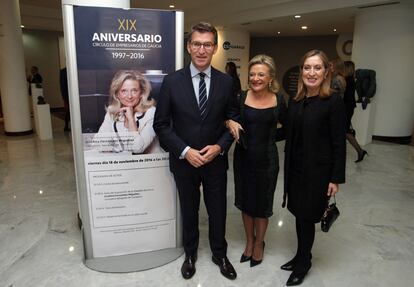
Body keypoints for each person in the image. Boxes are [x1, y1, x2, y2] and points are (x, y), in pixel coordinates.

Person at [153, 22, 237, 280]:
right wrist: (185, 150)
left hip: (215, 161)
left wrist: (220, 146)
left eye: (207, 44)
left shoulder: (226, 82)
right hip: (184, 161)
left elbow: (233, 120)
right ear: (189, 47)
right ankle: (190, 254)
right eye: (197, 44)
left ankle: (219, 253)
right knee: (189, 210)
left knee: (218, 210)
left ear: (214, 48)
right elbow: (161, 124)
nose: (202, 50)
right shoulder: (171, 82)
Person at [281, 50, 346, 286]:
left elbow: (339, 142)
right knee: (299, 215)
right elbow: (288, 133)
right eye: (307, 67)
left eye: (317, 68)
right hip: (295, 170)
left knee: (308, 218)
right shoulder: (296, 100)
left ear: (326, 71)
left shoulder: (333, 101)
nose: (311, 72)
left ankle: (303, 264)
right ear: (302, 71)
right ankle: (301, 255)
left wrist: (335, 178)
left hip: (317, 173)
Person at [225, 55, 287, 267]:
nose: (255, 78)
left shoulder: (279, 100)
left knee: (262, 205)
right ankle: (249, 241)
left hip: (267, 161)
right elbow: (229, 117)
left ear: (270, 77)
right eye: (252, 74)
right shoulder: (241, 97)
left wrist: (269, 139)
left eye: (261, 74)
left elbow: (287, 128)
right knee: (245, 203)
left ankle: (259, 243)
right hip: (243, 158)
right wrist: (229, 122)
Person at [94, 70, 162, 154]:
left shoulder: (151, 113)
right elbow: (98, 142)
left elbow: (137, 149)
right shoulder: (112, 111)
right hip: (122, 164)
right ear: (117, 94)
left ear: (141, 93)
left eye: (134, 91)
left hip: (147, 165)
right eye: (124, 91)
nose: (129, 96)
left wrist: (130, 119)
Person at [344, 61, 367, 162]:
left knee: (346, 132)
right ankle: (360, 151)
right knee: (346, 131)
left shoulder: (347, 80)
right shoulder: (351, 79)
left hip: (346, 108)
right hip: (349, 107)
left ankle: (360, 151)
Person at [60, 67, 70, 132]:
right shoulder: (63, 71)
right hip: (67, 96)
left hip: (69, 95)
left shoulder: (63, 71)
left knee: (68, 111)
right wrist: (64, 97)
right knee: (68, 111)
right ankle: (66, 126)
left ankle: (67, 126)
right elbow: (62, 85)